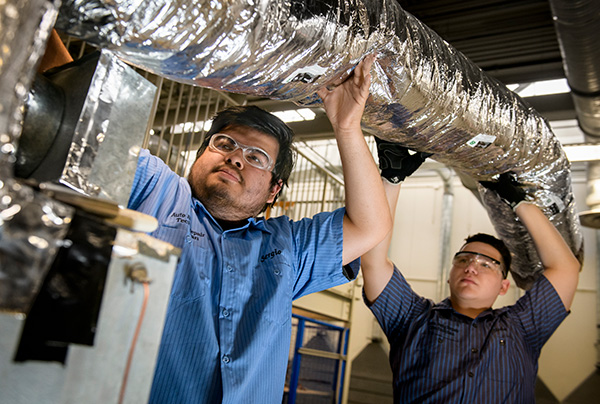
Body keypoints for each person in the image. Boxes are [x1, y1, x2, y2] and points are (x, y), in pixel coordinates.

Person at [127, 54, 391, 403]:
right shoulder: (156, 191)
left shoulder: (286, 248)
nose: (235, 157)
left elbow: (370, 225)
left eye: (256, 158)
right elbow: (88, 123)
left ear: (273, 190)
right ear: (199, 155)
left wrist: (346, 127)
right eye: (224, 144)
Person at [360, 139, 581, 403]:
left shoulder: (523, 326)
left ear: (503, 286)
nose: (472, 267)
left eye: (487, 264)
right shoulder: (412, 319)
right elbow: (373, 262)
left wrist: (520, 203)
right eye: (464, 259)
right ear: (449, 274)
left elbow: (566, 268)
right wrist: (392, 178)